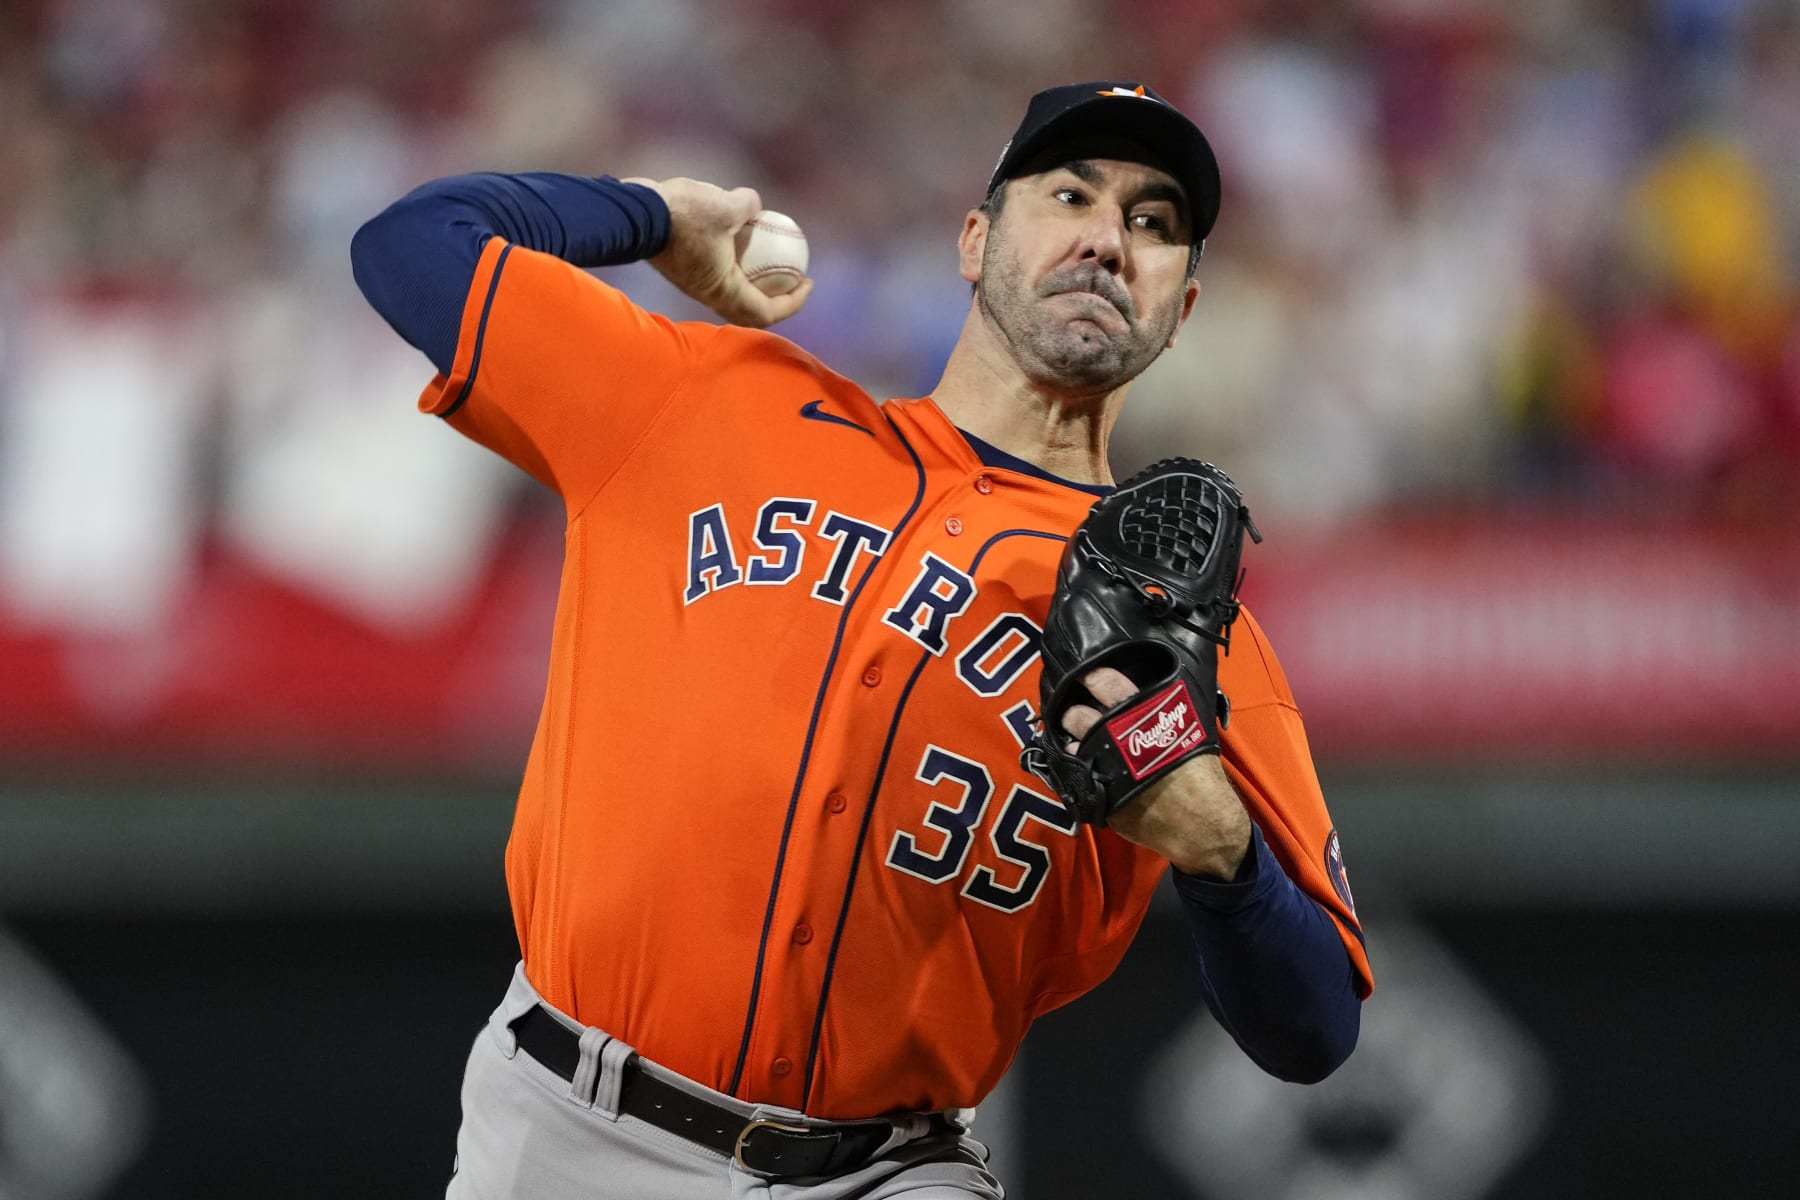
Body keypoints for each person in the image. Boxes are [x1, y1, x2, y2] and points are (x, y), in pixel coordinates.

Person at [352, 79, 1372, 1200]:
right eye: (1071, 193)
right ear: (975, 240)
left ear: (1180, 307)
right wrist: (650, 214)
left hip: (888, 1173)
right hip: (566, 1131)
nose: (1107, 238)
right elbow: (411, 246)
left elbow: (1313, 1029)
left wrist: (1219, 853)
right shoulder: (711, 403)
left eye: (1154, 222)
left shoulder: (1188, 636)